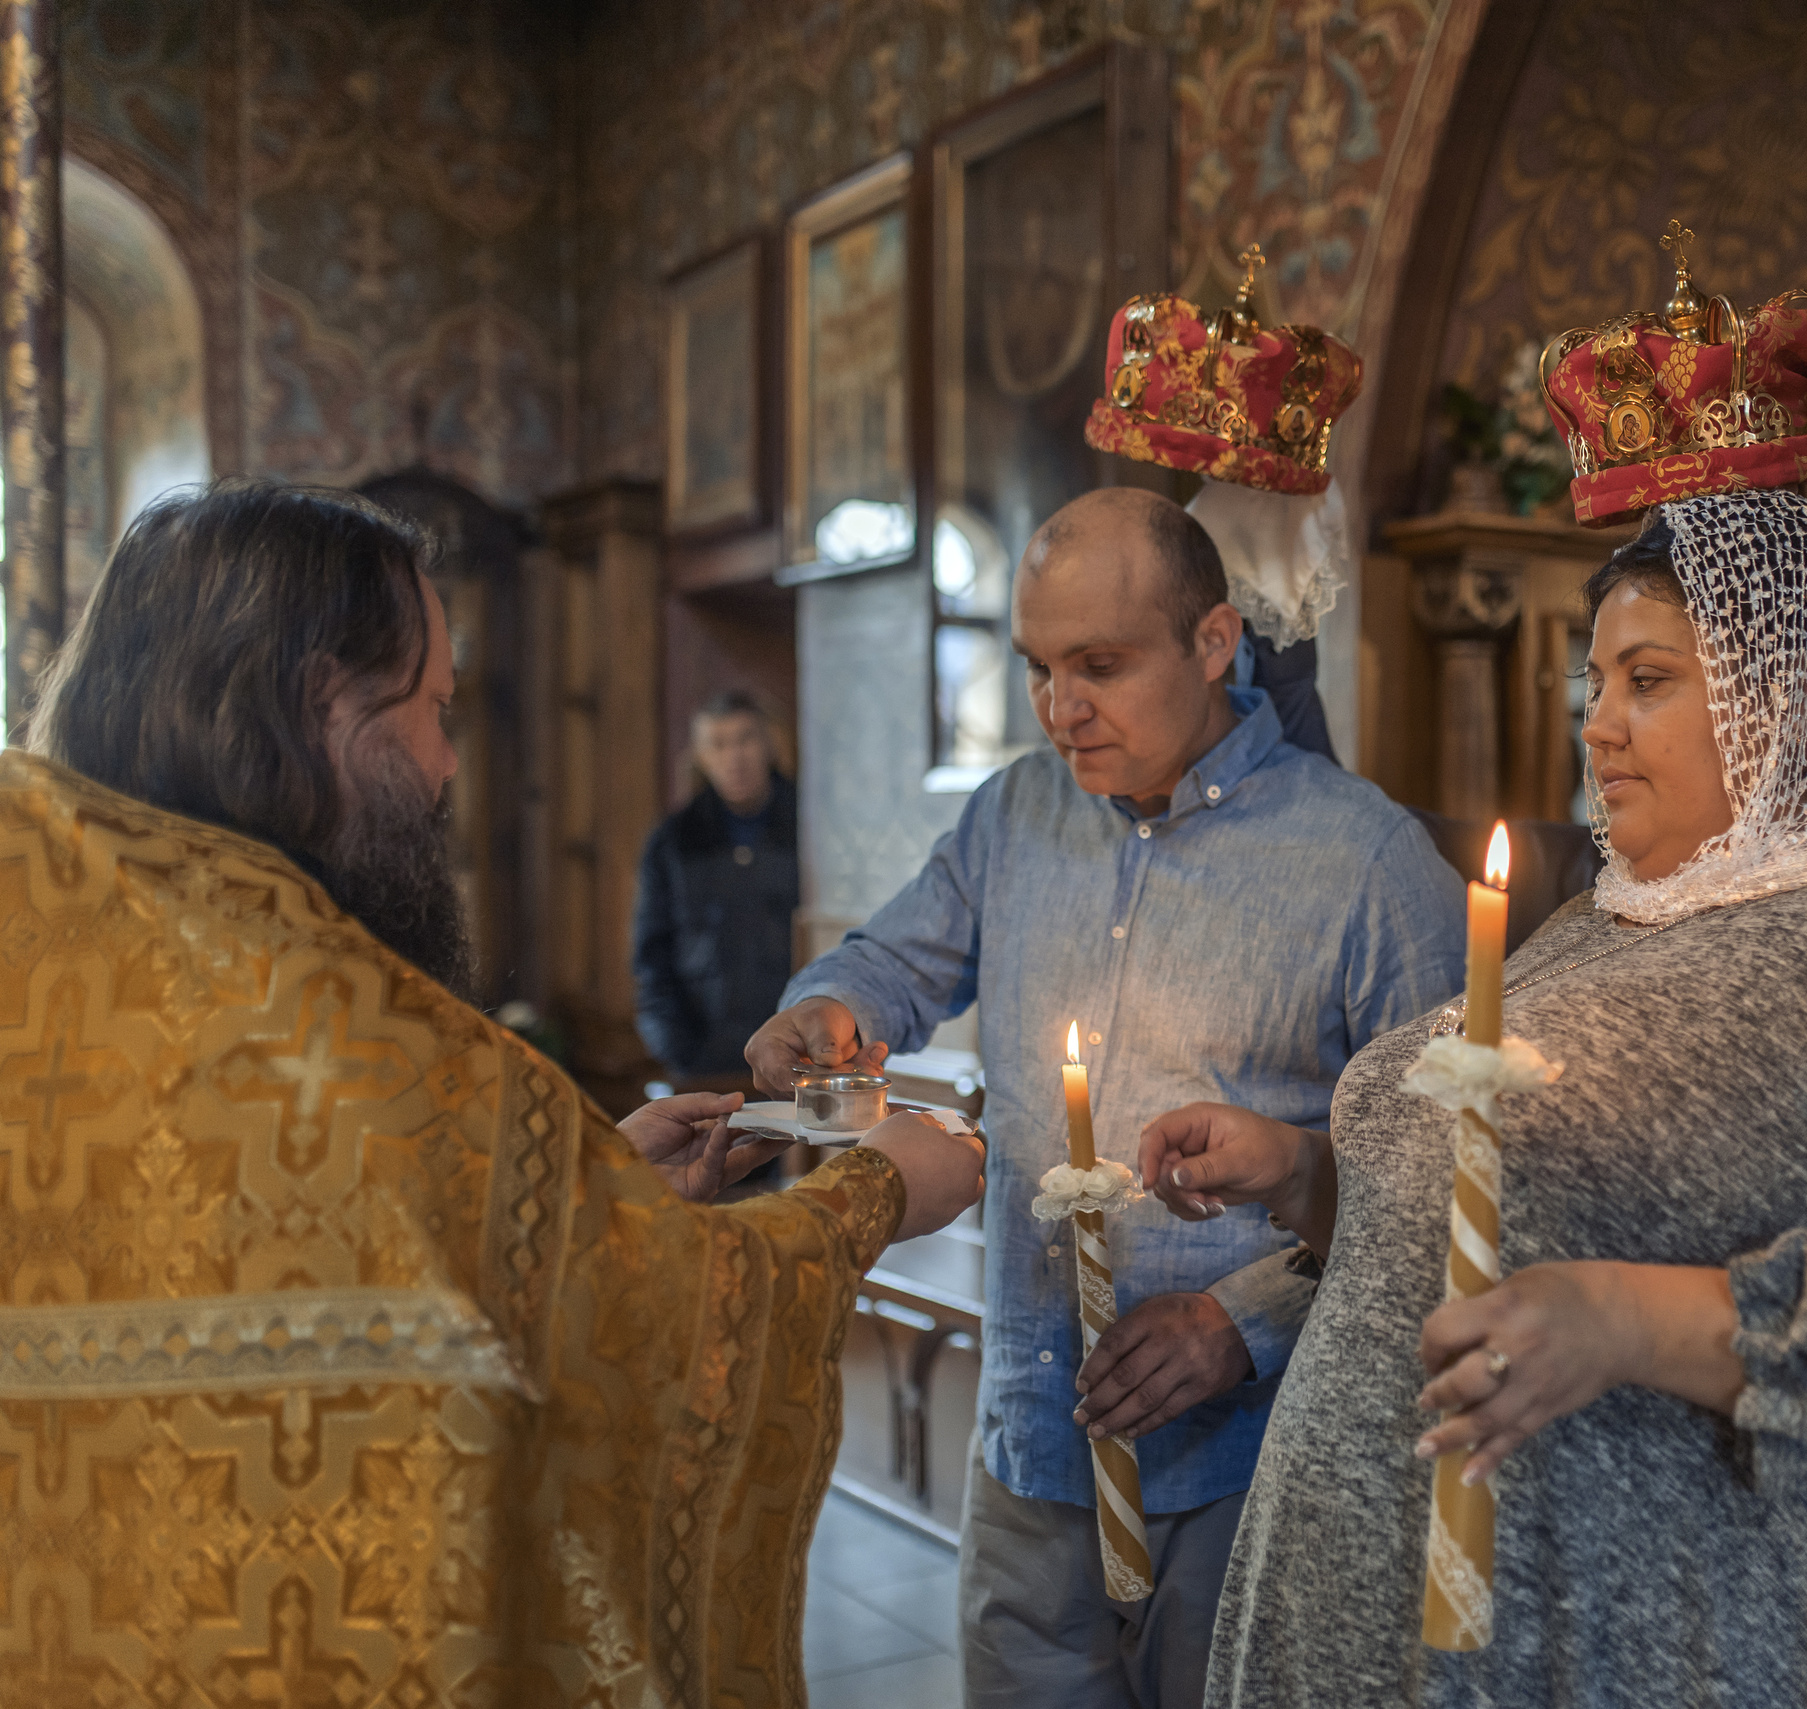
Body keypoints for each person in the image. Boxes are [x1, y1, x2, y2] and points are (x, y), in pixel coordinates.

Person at [1140, 490, 1807, 1708]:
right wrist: (1308, 1176)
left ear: (1803, 693)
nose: (1596, 726)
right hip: (1388, 1622)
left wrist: (1630, 1319)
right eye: (1592, 682)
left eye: (1646, 679)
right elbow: (1507, 1219)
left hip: (1667, 1638)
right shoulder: (1591, 924)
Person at [8, 480, 987, 1704]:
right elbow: (670, 1324)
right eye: (434, 709)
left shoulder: (41, 936)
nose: (446, 764)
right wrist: (876, 1189)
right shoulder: (359, 1035)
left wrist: (591, 1187)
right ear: (325, 706)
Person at [744, 486, 1465, 1709]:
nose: (1057, 708)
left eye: (1099, 664)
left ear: (1214, 642)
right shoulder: (1017, 812)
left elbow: (1442, 1184)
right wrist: (819, 1011)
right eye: (1036, 667)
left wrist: (1239, 1323)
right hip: (1030, 1437)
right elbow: (885, 966)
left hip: (1251, 1465)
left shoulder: (1368, 860)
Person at [635, 688, 801, 1084]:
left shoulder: (809, 825)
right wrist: (676, 1048)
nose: (735, 757)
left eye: (745, 739)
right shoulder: (674, 841)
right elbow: (651, 956)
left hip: (799, 1058)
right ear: (701, 757)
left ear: (768, 746)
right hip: (704, 1062)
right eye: (718, 744)